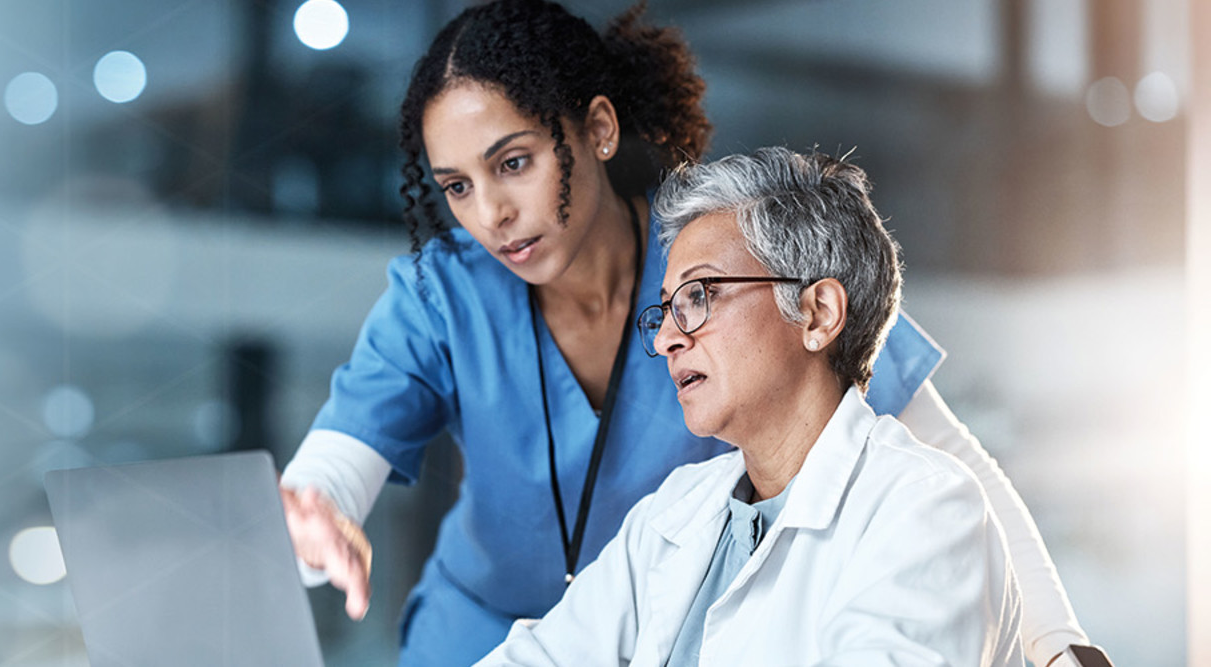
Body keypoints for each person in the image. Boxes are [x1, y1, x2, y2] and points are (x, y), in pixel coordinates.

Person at [276, 1, 1093, 665]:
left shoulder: (725, 257)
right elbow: (338, 462)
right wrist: (315, 513)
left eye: (514, 162)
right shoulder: (443, 291)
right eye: (457, 184)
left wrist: (1059, 646)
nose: (490, 213)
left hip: (662, 630)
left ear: (596, 129)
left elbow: (953, 465)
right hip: (482, 631)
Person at [474, 146, 1021, 666]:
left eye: (699, 295)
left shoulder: (924, 510)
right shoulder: (673, 514)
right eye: (664, 309)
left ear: (817, 314)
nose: (666, 338)